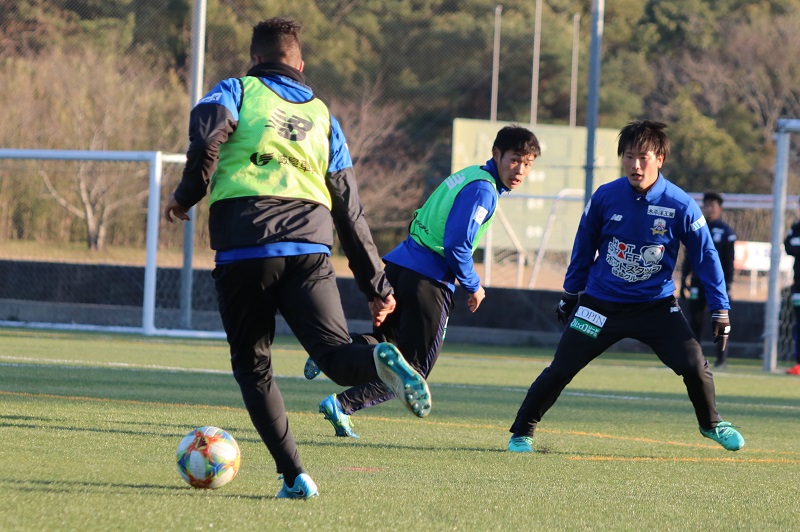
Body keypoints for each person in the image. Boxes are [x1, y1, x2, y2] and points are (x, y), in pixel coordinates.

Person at [163, 17, 432, 499]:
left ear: (255, 59)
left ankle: (295, 476)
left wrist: (187, 195)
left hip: (246, 247)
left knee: (254, 369)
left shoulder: (236, 90)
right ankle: (379, 357)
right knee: (335, 357)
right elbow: (349, 208)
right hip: (310, 250)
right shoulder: (326, 118)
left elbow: (206, 138)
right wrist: (377, 287)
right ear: (300, 65)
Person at [506, 120, 745, 454]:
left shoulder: (680, 204)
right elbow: (583, 246)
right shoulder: (606, 196)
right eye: (629, 156)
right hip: (599, 306)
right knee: (561, 369)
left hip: (656, 308)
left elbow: (706, 256)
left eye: (643, 157)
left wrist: (720, 308)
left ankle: (712, 424)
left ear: (660, 159)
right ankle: (521, 433)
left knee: (695, 366)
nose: (635, 165)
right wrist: (571, 294)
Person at [305, 126, 541, 439]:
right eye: (514, 160)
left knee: (385, 346)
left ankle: (333, 350)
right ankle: (343, 405)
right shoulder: (483, 190)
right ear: (496, 154)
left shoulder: (469, 175)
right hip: (428, 280)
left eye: (527, 164)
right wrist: (473, 285)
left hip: (400, 266)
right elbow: (456, 244)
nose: (520, 170)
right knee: (414, 369)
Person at [680, 192, 737, 367]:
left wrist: (728, 284)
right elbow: (689, 256)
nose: (709, 209)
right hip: (697, 283)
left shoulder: (726, 232)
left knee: (719, 320)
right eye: (706, 205)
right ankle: (694, 359)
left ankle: (721, 359)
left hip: (717, 286)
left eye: (713, 206)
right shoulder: (696, 228)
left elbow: (729, 260)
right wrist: (684, 279)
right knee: (694, 320)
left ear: (720, 209)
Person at [783, 202, 800, 375]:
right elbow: (789, 247)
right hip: (799, 284)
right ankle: (799, 363)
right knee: (798, 323)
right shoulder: (795, 228)